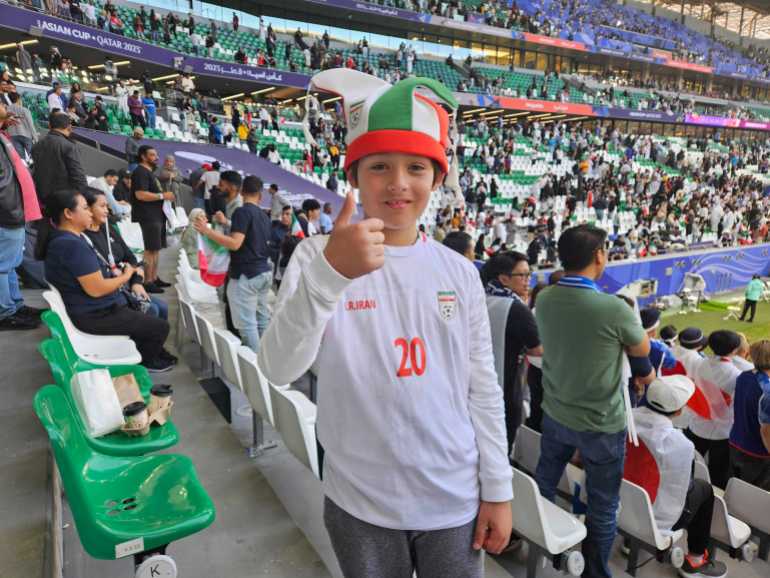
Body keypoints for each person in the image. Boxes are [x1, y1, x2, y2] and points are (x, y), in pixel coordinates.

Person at [259, 69, 512, 577]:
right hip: (360, 502)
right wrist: (331, 275)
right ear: (353, 176)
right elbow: (278, 368)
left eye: (416, 167)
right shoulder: (317, 257)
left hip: (453, 498)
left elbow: (482, 386)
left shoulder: (460, 272)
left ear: (437, 178)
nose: (398, 183)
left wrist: (498, 489)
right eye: (378, 167)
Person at [535, 224, 650, 578]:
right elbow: (642, 349)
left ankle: (542, 543)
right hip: (601, 424)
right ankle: (595, 573)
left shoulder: (544, 297)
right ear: (599, 256)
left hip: (555, 413)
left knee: (544, 484)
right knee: (603, 505)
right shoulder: (613, 308)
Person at [38, 189, 172, 372]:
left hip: (96, 308)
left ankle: (152, 356)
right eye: (85, 208)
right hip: (95, 315)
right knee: (159, 327)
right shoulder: (71, 245)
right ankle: (145, 364)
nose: (89, 212)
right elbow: (97, 289)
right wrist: (125, 276)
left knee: (153, 316)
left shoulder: (68, 240)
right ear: (69, 214)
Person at [624, 375, 728, 578]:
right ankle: (696, 559)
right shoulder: (680, 444)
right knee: (704, 489)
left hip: (624, 498)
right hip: (652, 512)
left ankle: (632, 538)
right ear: (679, 410)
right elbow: (680, 490)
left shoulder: (626, 416)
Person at [194, 175, 272, 353]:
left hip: (246, 275)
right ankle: (267, 363)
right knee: (262, 320)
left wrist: (207, 231)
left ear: (242, 192)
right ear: (260, 195)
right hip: (263, 273)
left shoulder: (242, 212)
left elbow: (235, 243)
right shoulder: (264, 215)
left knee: (247, 325)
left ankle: (257, 369)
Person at [83, 187, 172, 327]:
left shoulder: (108, 229)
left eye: (107, 205)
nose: (107, 210)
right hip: (113, 291)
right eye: (102, 206)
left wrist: (136, 282)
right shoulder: (83, 238)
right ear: (87, 208)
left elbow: (130, 257)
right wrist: (127, 271)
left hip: (127, 285)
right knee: (153, 311)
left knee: (163, 307)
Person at [482, 251, 542, 456]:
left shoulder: (481, 298)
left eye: (529, 275)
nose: (527, 281)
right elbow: (538, 349)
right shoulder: (515, 308)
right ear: (504, 278)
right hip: (506, 390)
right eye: (522, 275)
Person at [0, 106, 43, 331]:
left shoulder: (3, 136)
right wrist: (11, 211)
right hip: (8, 214)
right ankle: (4, 313)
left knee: (11, 264)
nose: (5, 108)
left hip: (15, 212)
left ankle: (15, 306)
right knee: (3, 266)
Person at [686, 330, 744, 489]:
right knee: (718, 473)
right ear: (734, 350)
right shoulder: (737, 374)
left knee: (690, 464)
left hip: (697, 423)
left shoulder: (699, 363)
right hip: (721, 431)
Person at [130, 145, 174, 293]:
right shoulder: (140, 172)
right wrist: (162, 196)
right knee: (150, 249)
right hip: (148, 216)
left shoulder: (150, 172)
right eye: (152, 155)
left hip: (157, 215)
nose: (157, 157)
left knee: (156, 249)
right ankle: (147, 281)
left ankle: (154, 278)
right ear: (143, 156)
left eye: (156, 155)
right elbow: (140, 195)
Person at [729, 340, 770, 490]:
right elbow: (766, 431)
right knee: (755, 495)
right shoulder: (767, 391)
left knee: (738, 488)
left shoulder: (744, 376)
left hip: (736, 442)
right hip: (757, 453)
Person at [5, 92, 37, 158]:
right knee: (32, 157)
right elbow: (31, 125)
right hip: (26, 135)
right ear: (19, 99)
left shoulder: (6, 110)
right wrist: (35, 138)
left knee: (21, 158)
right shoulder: (25, 110)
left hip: (13, 135)